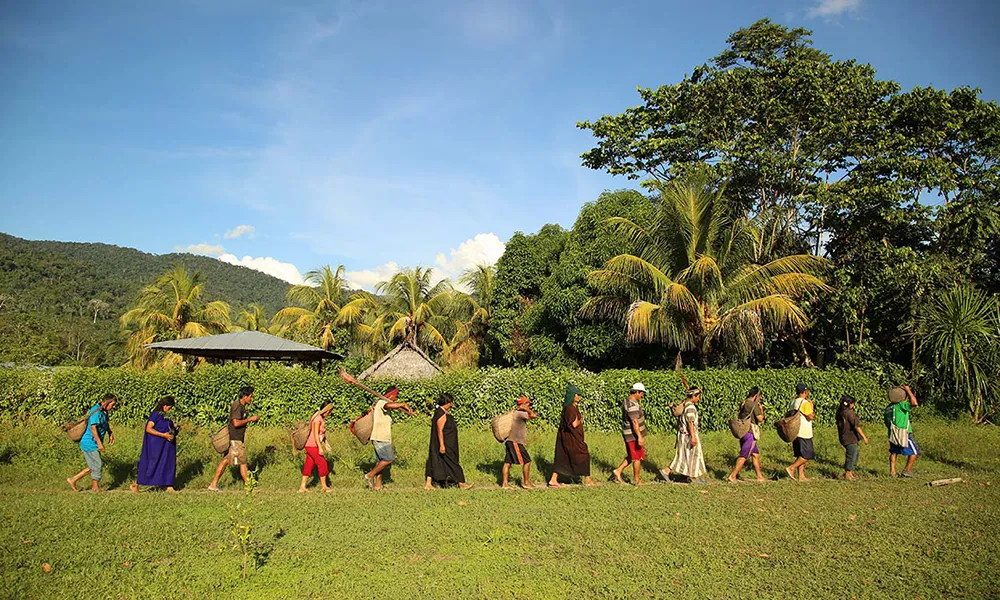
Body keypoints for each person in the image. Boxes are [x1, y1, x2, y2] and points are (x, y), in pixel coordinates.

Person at [363, 387, 415, 490]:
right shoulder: (382, 402)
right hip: (380, 437)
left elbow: (390, 406)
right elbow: (388, 405)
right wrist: (403, 404)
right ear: (391, 395)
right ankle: (368, 476)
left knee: (380, 462)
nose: (396, 398)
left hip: (381, 437)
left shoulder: (381, 403)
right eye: (396, 396)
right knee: (388, 459)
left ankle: (378, 485)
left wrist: (406, 410)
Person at [208, 386, 258, 491]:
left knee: (228, 461)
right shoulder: (237, 406)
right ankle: (249, 487)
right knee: (242, 462)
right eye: (250, 397)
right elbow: (235, 423)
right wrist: (250, 419)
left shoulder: (242, 407)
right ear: (245, 396)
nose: (251, 399)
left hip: (236, 438)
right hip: (235, 439)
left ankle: (213, 485)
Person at [66, 394, 117, 492]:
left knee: (92, 466)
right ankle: (95, 488)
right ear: (106, 402)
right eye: (112, 404)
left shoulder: (104, 411)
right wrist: (99, 443)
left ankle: (72, 480)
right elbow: (93, 429)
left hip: (92, 442)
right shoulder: (96, 412)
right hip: (90, 442)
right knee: (97, 465)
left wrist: (110, 433)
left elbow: (106, 423)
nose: (113, 407)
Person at [548, 385, 596, 488]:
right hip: (571, 439)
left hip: (570, 438)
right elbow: (573, 424)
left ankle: (553, 479)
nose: (579, 397)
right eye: (577, 395)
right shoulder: (570, 408)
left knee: (563, 457)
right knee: (584, 454)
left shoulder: (571, 407)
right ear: (572, 396)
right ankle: (587, 479)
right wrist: (580, 419)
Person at [424, 393, 473, 490]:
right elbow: (440, 430)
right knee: (453, 462)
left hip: (442, 442)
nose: (451, 405)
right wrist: (442, 445)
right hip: (445, 443)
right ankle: (461, 483)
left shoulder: (440, 412)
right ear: (447, 403)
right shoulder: (441, 414)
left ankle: (428, 484)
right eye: (450, 402)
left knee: (434, 460)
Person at [131, 396, 178, 493]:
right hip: (156, 445)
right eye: (170, 407)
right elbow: (148, 428)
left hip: (167, 446)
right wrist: (163, 435)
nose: (170, 409)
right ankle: (136, 484)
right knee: (151, 464)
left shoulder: (166, 416)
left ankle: (168, 485)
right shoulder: (155, 415)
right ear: (165, 406)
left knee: (168, 464)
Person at [667, 387, 708, 483]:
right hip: (688, 436)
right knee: (693, 455)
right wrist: (693, 437)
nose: (699, 399)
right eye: (698, 396)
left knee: (685, 455)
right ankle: (693, 477)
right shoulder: (690, 407)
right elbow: (690, 422)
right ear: (694, 396)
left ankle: (686, 476)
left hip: (683, 435)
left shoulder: (685, 405)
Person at [612, 383, 650, 485]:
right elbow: (634, 422)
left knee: (631, 455)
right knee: (637, 458)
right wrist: (639, 437)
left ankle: (618, 471)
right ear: (637, 392)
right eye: (642, 393)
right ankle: (636, 480)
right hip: (633, 435)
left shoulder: (627, 400)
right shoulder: (632, 405)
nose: (642, 396)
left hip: (629, 433)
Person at [727, 387, 765, 482]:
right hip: (750, 434)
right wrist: (761, 410)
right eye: (759, 396)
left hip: (743, 432)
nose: (760, 399)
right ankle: (733, 475)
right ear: (756, 396)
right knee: (744, 455)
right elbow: (760, 419)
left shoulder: (744, 403)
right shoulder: (753, 405)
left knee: (755, 454)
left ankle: (759, 477)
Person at [502, 396, 537, 489]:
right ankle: (526, 482)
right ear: (523, 404)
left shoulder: (515, 413)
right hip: (515, 441)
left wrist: (526, 409)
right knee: (527, 461)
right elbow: (534, 416)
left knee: (507, 462)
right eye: (528, 404)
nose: (529, 406)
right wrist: (526, 410)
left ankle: (505, 484)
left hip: (510, 441)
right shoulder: (520, 413)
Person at [298, 402, 334, 493]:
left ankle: (302, 487)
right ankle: (324, 487)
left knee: (309, 464)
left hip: (313, 445)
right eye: (330, 412)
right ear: (327, 411)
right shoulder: (317, 419)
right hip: (312, 445)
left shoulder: (320, 418)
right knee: (322, 463)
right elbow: (315, 434)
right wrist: (320, 447)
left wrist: (326, 443)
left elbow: (321, 434)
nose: (330, 414)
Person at [784, 383, 815, 481]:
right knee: (808, 454)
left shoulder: (793, 402)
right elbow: (810, 417)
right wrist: (811, 406)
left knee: (800, 454)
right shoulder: (804, 403)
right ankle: (791, 468)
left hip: (795, 431)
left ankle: (801, 476)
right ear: (805, 392)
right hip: (804, 432)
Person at [887, 385, 920, 477]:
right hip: (903, 433)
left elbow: (886, 422)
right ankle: (907, 470)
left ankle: (892, 472)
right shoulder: (901, 405)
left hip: (892, 433)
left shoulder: (889, 408)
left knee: (894, 452)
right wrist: (909, 391)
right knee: (915, 452)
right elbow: (914, 403)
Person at [836, 395, 870, 480]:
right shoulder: (849, 413)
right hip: (850, 438)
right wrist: (864, 437)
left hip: (843, 436)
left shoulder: (840, 411)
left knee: (855, 454)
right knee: (851, 455)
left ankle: (850, 472)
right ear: (850, 404)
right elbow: (857, 426)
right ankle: (847, 473)